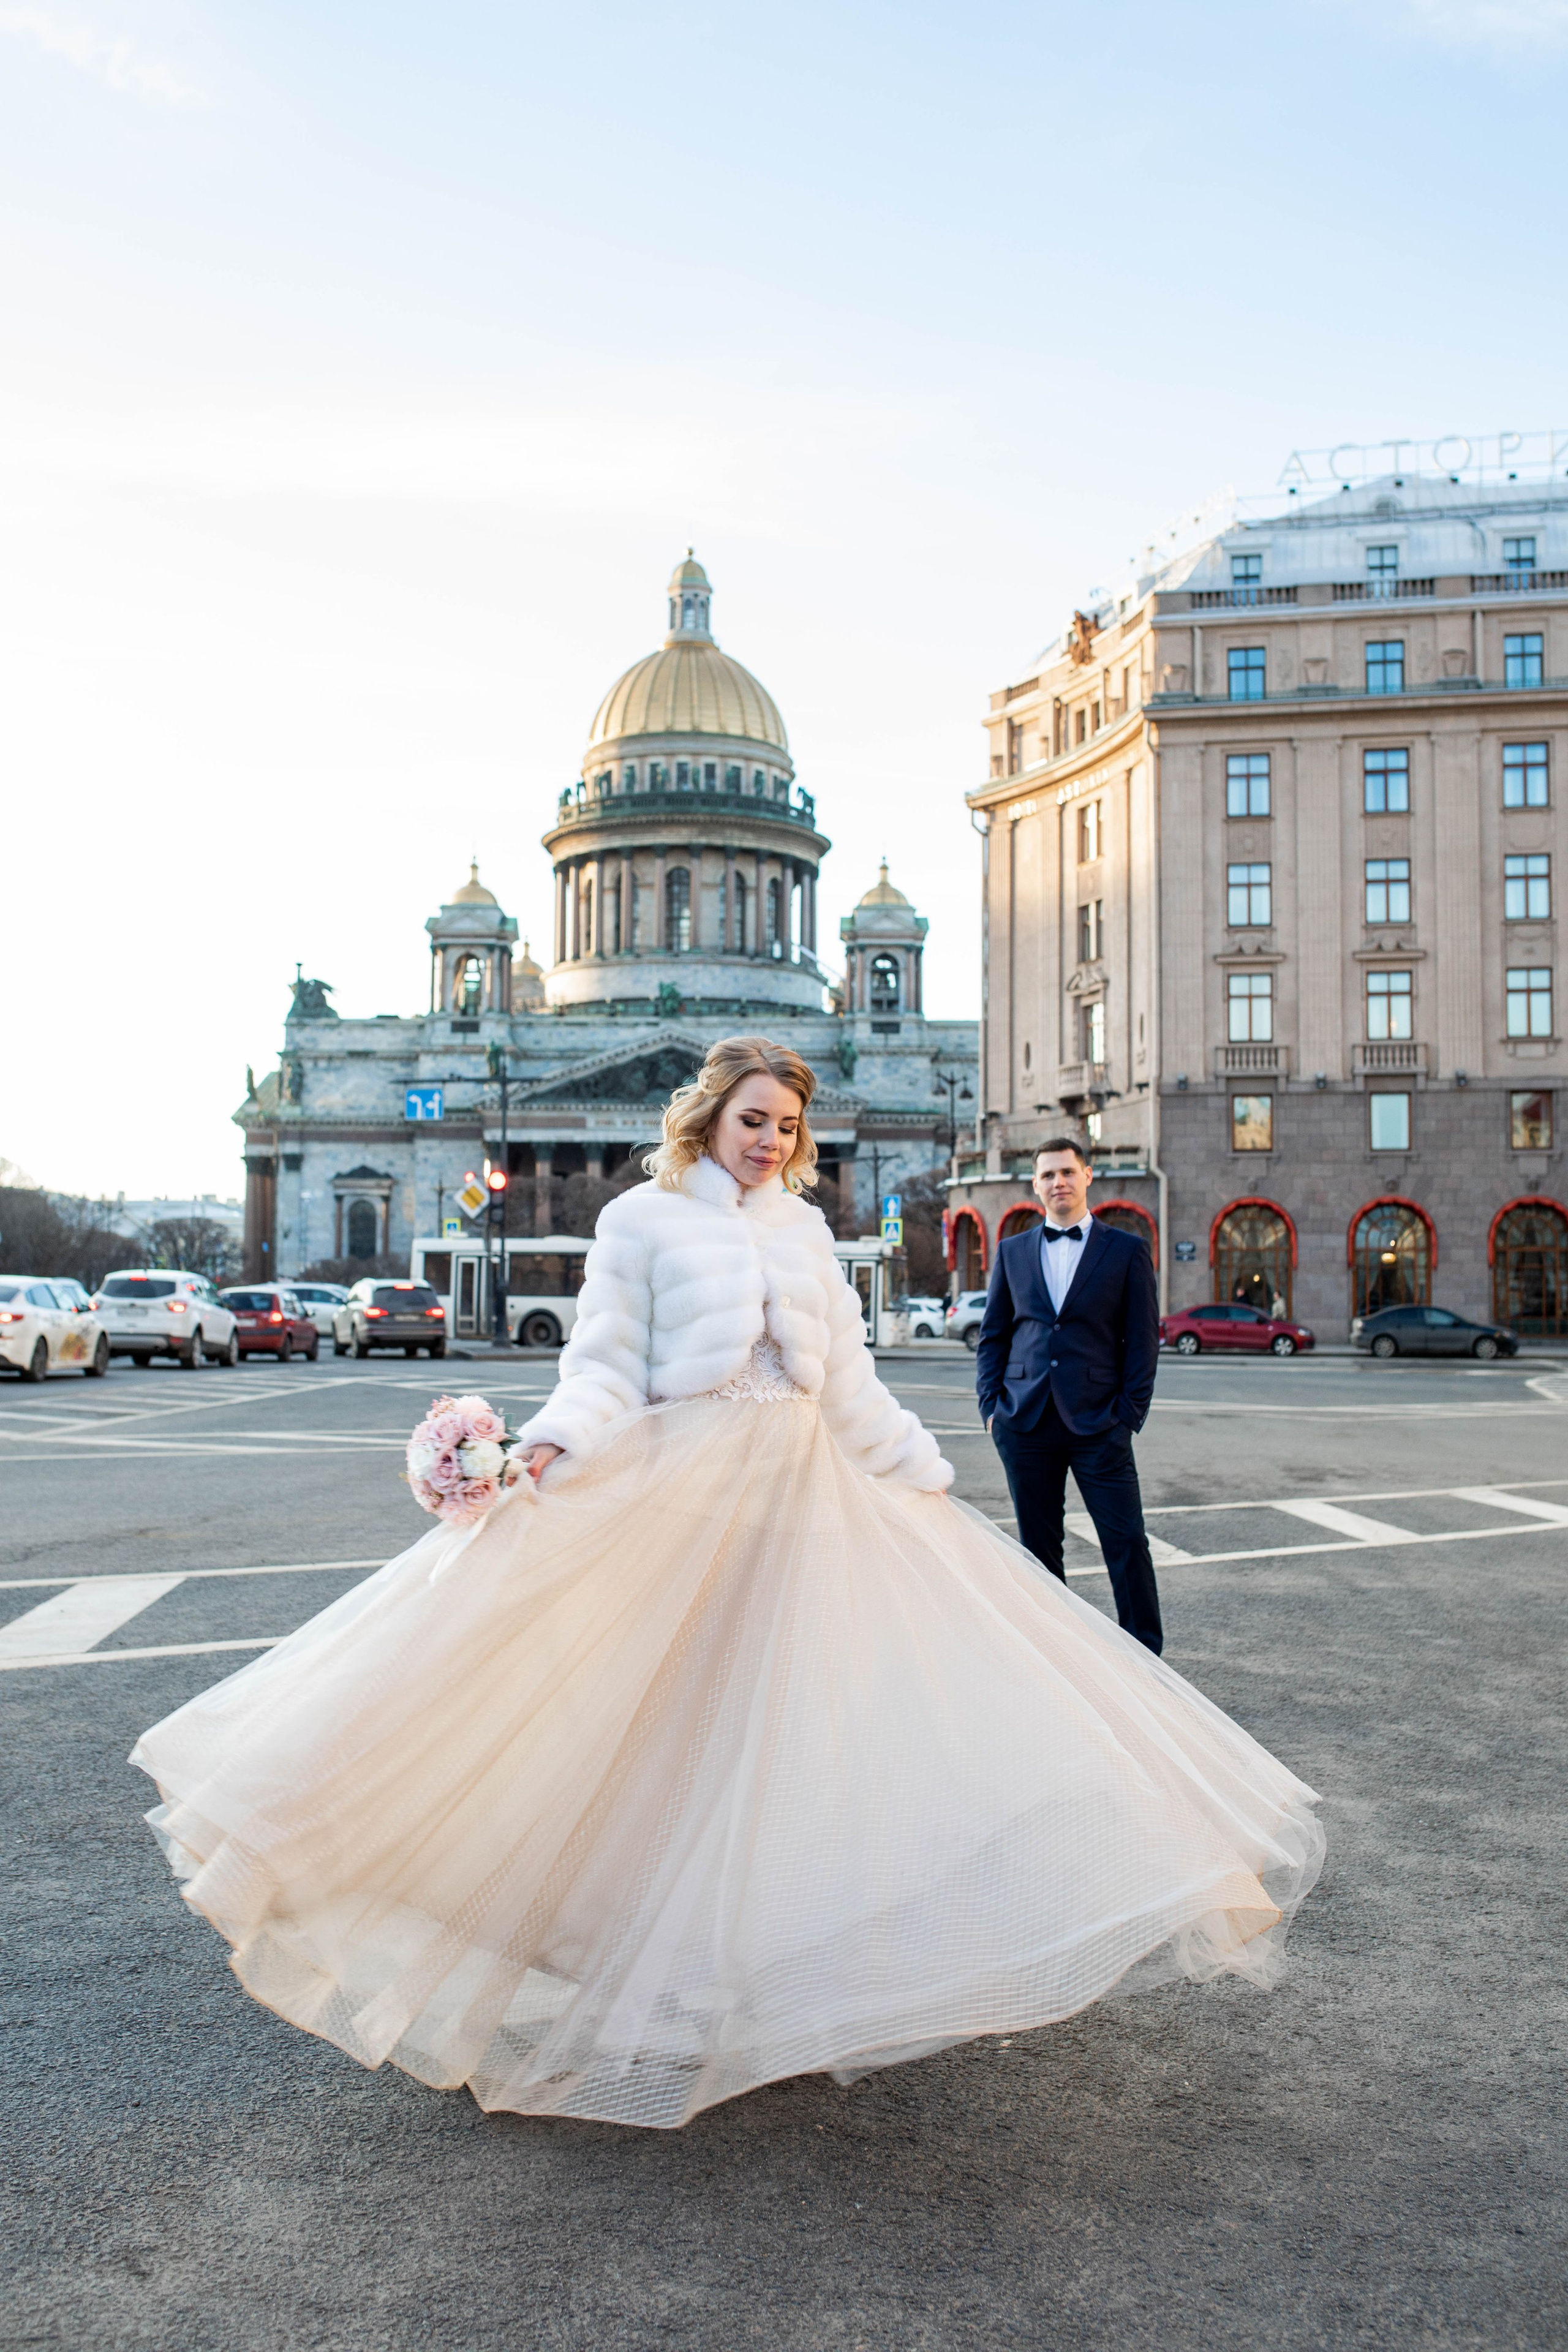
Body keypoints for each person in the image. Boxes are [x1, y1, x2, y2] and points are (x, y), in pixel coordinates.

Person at [132, 1039, 1322, 2132]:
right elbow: (603, 1362)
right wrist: (552, 1442)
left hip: (805, 1494)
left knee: (796, 1737)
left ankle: (760, 1974)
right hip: (684, 1487)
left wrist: (914, 1470)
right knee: (668, 1731)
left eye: (788, 1126)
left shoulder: (804, 1230)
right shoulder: (640, 1219)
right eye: (755, 1119)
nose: (771, 1140)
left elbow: (845, 1380)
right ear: (707, 1117)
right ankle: (649, 1965)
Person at [976, 1138, 1163, 1651]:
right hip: (1025, 1421)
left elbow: (1143, 1341)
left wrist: (1128, 1415)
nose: (1058, 1182)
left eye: (1067, 1172)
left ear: (1087, 1176)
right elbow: (994, 1335)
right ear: (1035, 1185)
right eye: (1048, 1175)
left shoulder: (1126, 1251)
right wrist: (992, 1408)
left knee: (1126, 1541)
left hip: (1100, 1423)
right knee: (1038, 1552)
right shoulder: (1012, 1251)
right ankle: (1056, 1654)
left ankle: (1146, 1655)